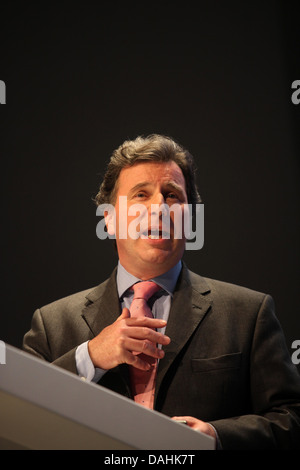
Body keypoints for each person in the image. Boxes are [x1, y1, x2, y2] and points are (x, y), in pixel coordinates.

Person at [23, 134, 300, 449]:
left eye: (171, 195)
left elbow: (291, 419)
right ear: (109, 221)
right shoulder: (51, 324)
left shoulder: (249, 314)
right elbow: (18, 413)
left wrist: (217, 437)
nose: (158, 207)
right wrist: (92, 356)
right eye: (141, 194)